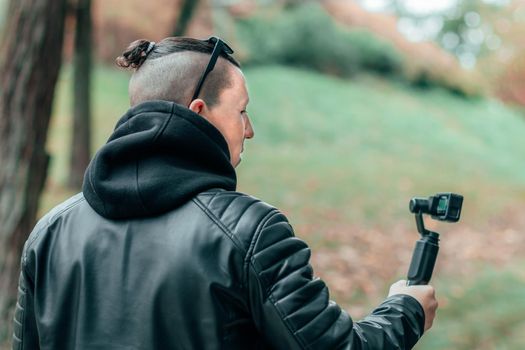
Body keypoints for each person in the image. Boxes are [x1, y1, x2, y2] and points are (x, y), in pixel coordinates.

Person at [12, 36, 437, 349]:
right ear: (201, 112)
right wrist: (407, 308)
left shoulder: (49, 232)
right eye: (242, 111)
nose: (249, 129)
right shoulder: (250, 232)